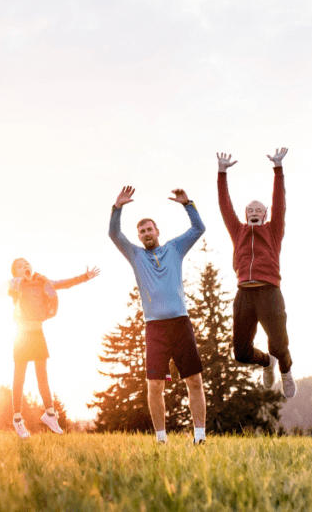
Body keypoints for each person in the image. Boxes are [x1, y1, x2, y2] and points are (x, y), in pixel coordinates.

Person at [108, 185, 207, 444]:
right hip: (155, 328)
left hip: (180, 323)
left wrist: (188, 204)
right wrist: (117, 208)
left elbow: (199, 229)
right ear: (139, 237)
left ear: (157, 231)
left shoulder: (175, 248)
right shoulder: (136, 255)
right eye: (141, 231)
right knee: (154, 386)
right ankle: (161, 440)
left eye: (149, 229)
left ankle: (200, 437)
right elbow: (114, 233)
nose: (145, 233)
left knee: (194, 380)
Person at [0, 258, 99, 438]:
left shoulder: (42, 282)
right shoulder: (13, 284)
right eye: (21, 266)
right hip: (21, 335)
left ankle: (50, 414)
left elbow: (64, 283)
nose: (26, 266)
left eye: (27, 264)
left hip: (37, 334)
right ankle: (18, 420)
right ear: (16, 272)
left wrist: (85, 277)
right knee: (19, 379)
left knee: (42, 377)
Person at [217, 148, 296, 398]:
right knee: (240, 353)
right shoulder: (237, 231)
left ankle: (285, 372)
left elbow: (280, 203)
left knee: (279, 344)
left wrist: (278, 169)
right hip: (244, 295)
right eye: (249, 210)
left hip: (269, 292)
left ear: (264, 216)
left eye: (258, 210)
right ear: (245, 216)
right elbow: (224, 205)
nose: (253, 212)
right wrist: (221, 173)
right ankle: (266, 363)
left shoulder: (273, 231)